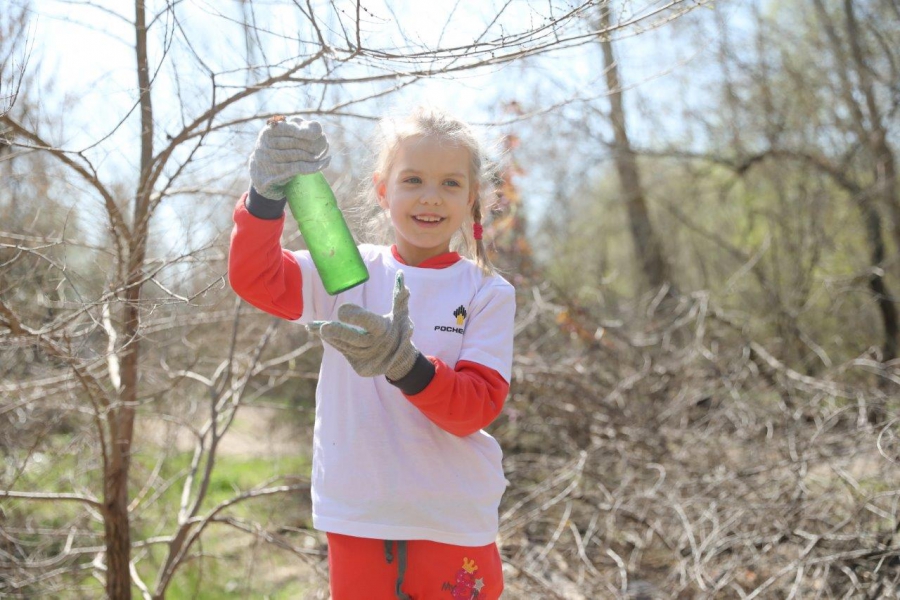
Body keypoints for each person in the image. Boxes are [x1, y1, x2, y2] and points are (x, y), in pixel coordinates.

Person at [228, 106, 516, 599]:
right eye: (413, 179)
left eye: (451, 183)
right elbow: (257, 279)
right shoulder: (348, 268)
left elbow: (474, 409)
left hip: (453, 520)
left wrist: (406, 365)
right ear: (383, 191)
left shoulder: (486, 291)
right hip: (358, 516)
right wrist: (264, 198)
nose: (430, 197)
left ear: (474, 199)